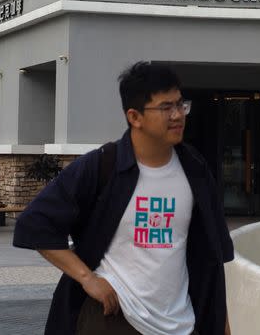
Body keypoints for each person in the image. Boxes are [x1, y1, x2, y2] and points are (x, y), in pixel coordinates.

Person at [14, 62, 234, 335]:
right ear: (135, 116)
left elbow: (212, 258)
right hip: (115, 318)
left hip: (181, 323)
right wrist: (87, 278)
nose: (178, 115)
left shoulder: (195, 170)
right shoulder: (102, 166)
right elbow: (35, 223)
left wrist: (223, 326)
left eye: (181, 104)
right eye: (166, 108)